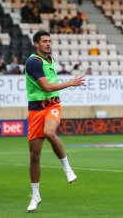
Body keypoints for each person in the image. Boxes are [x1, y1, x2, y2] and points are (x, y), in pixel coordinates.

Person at [25, 30, 85, 212]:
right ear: (36, 44)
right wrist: (70, 83)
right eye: (44, 41)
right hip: (36, 109)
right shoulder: (33, 62)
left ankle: (67, 168)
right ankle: (35, 194)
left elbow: (51, 89)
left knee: (50, 132)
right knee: (35, 155)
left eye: (49, 41)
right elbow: (46, 86)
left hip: (52, 105)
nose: (48, 44)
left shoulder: (50, 59)